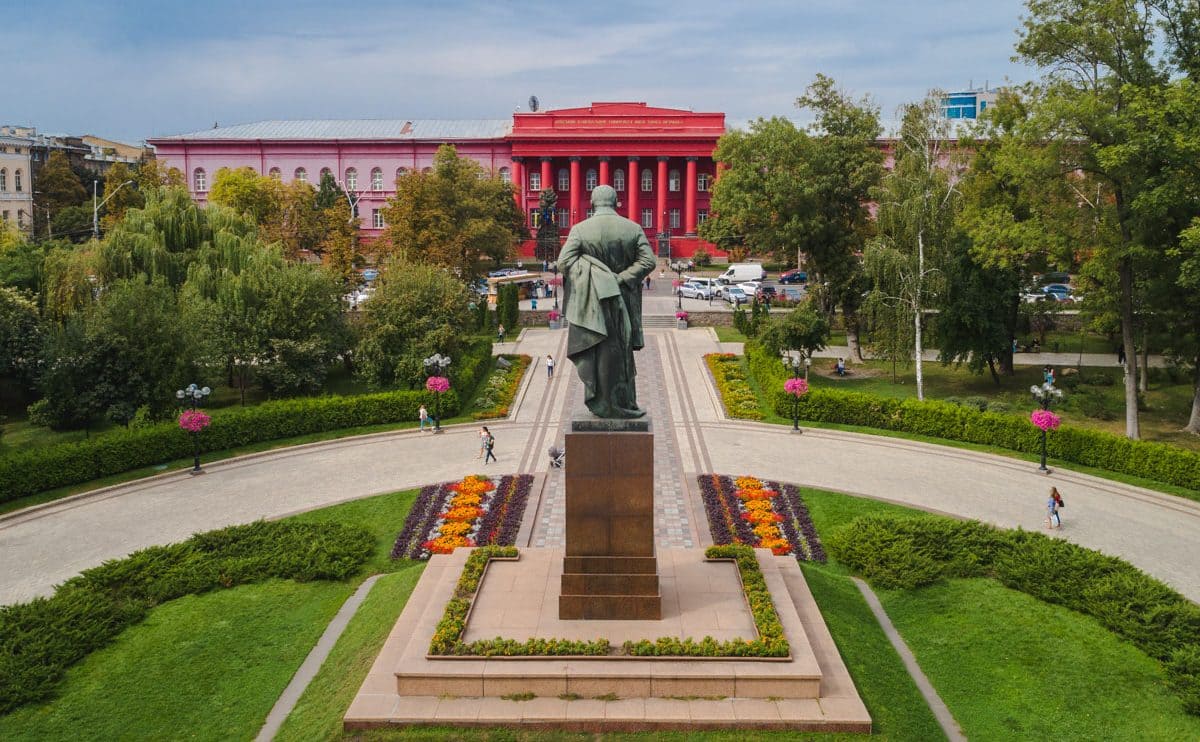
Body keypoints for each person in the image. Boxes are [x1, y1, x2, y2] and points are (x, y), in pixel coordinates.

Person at [559, 185, 657, 418]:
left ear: (593, 203)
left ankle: (603, 402)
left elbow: (564, 263)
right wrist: (620, 278)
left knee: (597, 350)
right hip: (622, 299)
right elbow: (649, 261)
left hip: (592, 303)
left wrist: (592, 275)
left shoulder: (580, 230)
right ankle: (623, 403)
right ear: (616, 202)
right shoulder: (632, 228)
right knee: (620, 352)